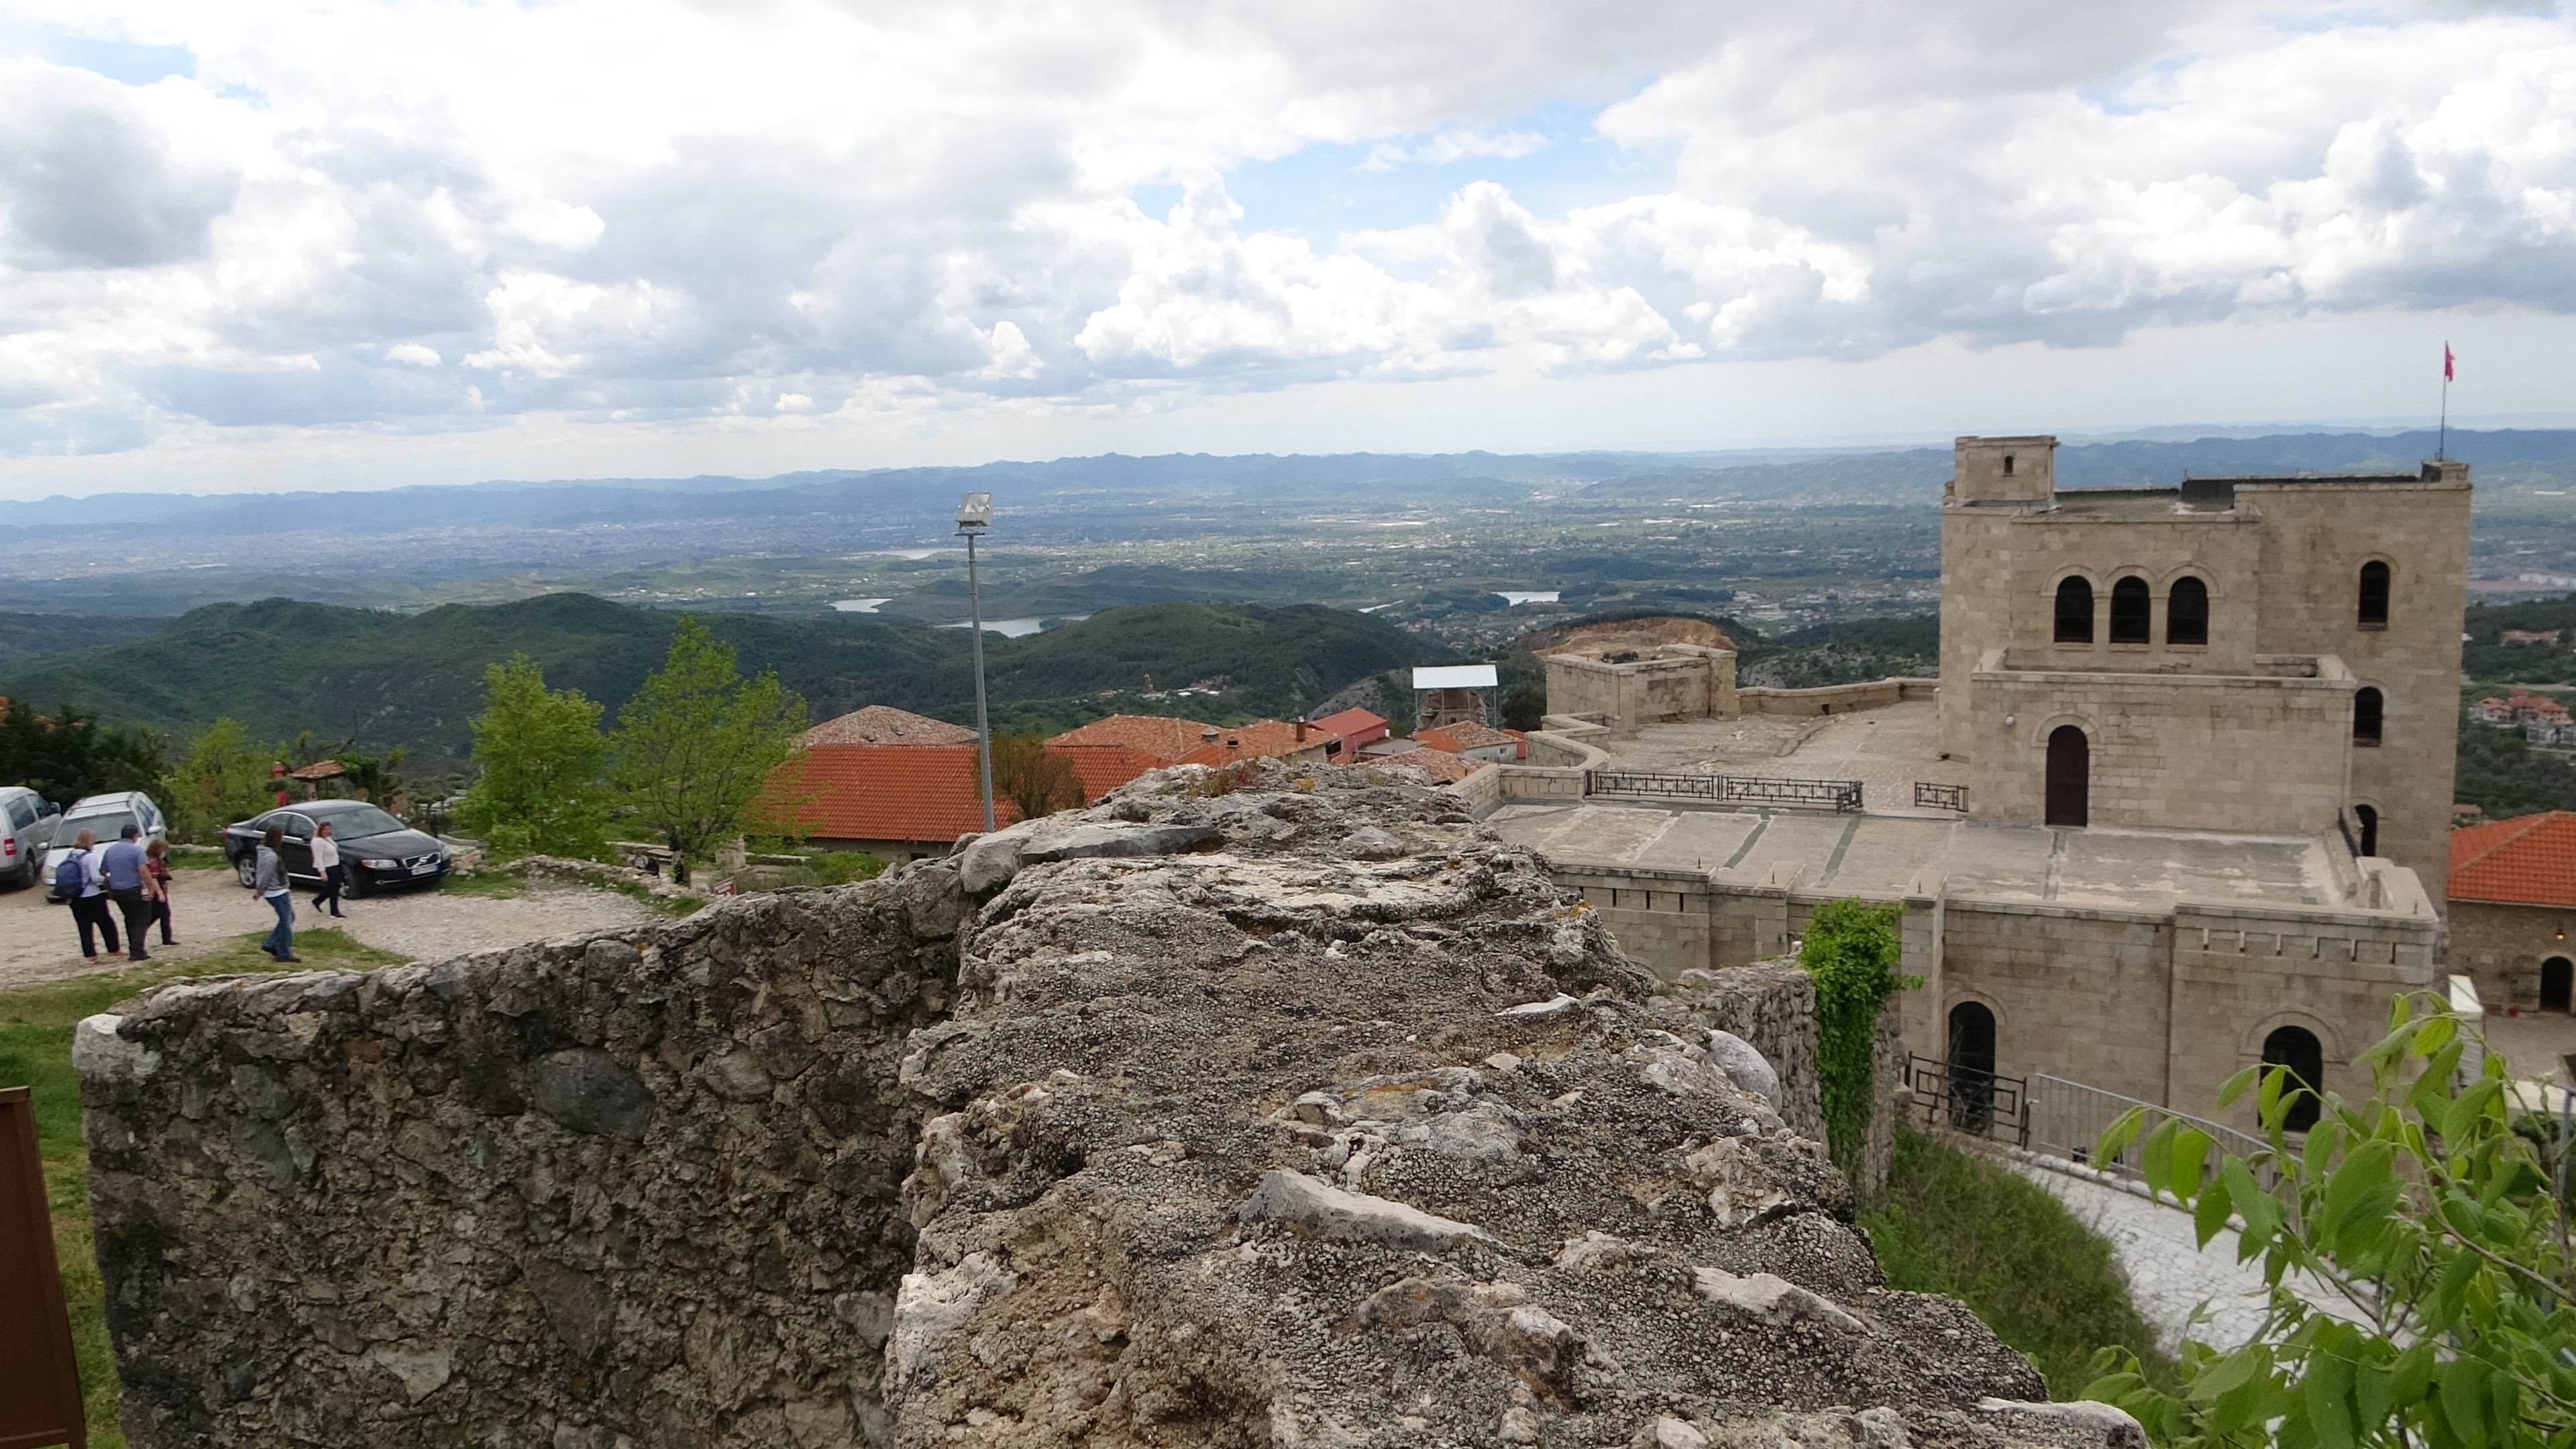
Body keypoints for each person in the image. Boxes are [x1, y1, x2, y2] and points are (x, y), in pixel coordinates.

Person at [60, 828, 121, 959]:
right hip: (92, 895)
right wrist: (107, 878)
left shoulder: (72, 854)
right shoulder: (90, 857)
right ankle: (113, 949)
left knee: (84, 927)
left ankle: (90, 954)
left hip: (76, 896)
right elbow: (94, 878)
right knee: (106, 923)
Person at [99, 823, 152, 962]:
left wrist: (113, 879)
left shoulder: (110, 850)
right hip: (133, 888)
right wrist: (151, 888)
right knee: (141, 919)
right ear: (134, 836)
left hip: (117, 890)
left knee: (129, 918)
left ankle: (133, 946)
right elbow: (143, 870)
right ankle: (137, 949)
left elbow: (103, 871)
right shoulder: (137, 851)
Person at [256, 825, 300, 963]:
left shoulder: (266, 852)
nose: (283, 839)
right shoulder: (271, 856)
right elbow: (265, 874)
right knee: (286, 922)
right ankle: (284, 952)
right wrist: (260, 891)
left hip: (277, 891)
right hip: (277, 892)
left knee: (289, 918)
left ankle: (270, 943)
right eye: (281, 836)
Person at [143, 838, 177, 947]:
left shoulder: (157, 861)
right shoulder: (154, 862)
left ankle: (166, 938)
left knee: (161, 914)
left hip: (161, 888)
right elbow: (154, 878)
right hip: (158, 890)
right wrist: (159, 893)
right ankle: (165, 938)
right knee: (161, 913)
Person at [310, 820, 345, 918]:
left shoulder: (328, 839)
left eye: (329, 829)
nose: (327, 831)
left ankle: (318, 901)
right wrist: (322, 872)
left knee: (334, 887)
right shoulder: (317, 842)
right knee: (334, 888)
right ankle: (334, 911)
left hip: (334, 865)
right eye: (325, 829)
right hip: (326, 867)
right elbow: (318, 858)